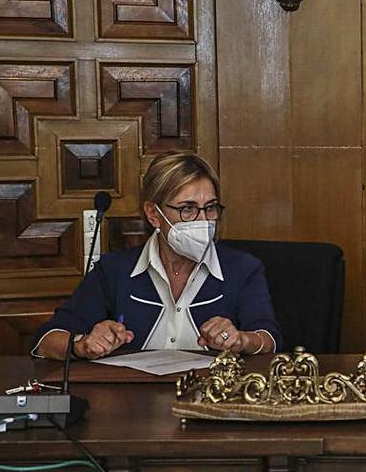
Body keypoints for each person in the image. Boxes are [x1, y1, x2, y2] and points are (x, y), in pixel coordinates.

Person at [32, 152, 282, 360]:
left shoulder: (243, 268)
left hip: (214, 402)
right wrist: (82, 344)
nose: (204, 220)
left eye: (211, 208)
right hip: (133, 409)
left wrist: (241, 340)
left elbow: (269, 338)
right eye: (188, 209)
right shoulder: (114, 270)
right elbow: (46, 340)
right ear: (154, 215)